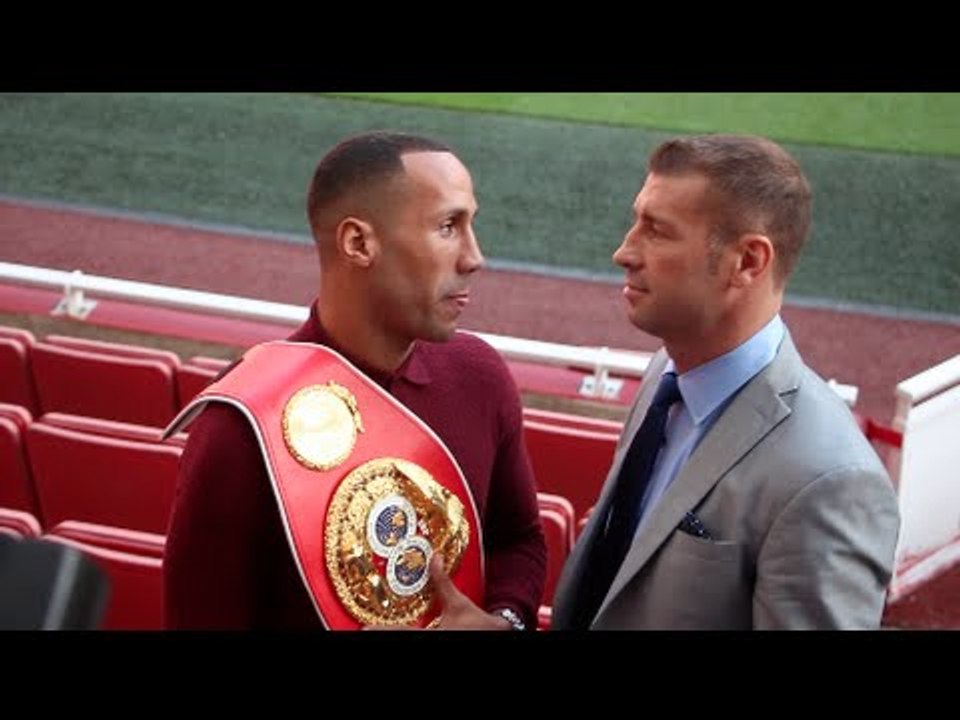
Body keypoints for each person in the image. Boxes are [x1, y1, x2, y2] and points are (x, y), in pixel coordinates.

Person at [164, 131, 546, 630]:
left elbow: (518, 539)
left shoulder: (480, 376)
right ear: (358, 243)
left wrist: (503, 620)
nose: (475, 256)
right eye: (448, 226)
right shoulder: (244, 422)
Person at [551, 134, 900, 630]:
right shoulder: (665, 373)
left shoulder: (832, 481)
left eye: (657, 231)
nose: (624, 251)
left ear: (748, 262)